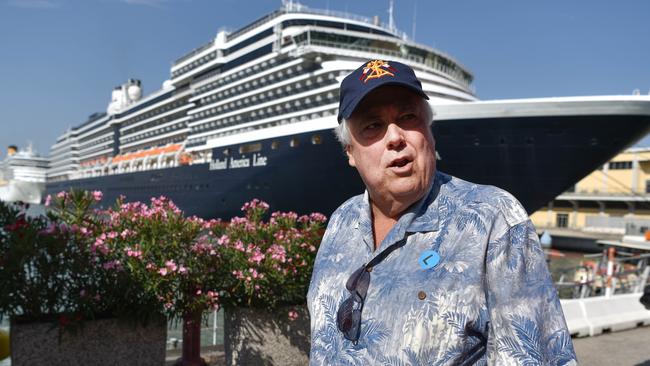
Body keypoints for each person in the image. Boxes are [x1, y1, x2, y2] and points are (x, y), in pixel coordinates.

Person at [307, 60, 577, 365]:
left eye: (408, 117)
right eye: (373, 126)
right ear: (350, 153)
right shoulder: (341, 222)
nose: (395, 137)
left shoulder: (491, 219)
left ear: (429, 133)